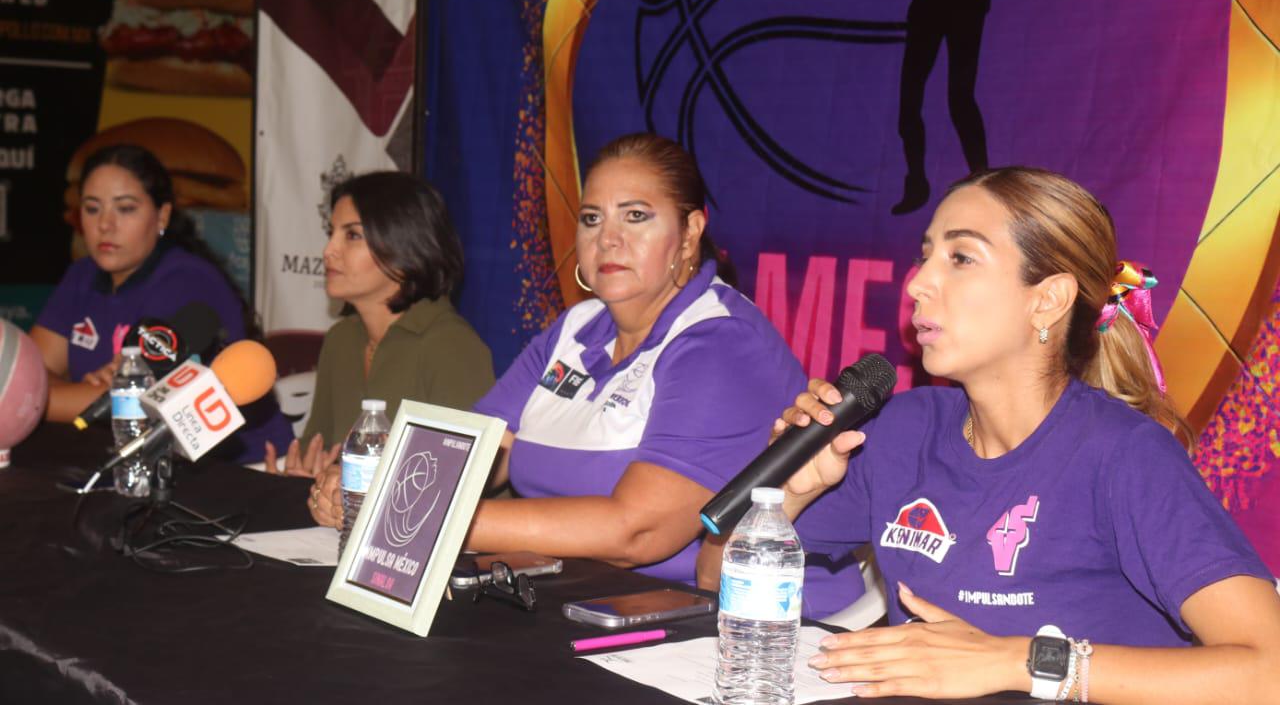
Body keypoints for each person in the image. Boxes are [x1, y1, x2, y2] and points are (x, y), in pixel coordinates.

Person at [740, 167, 1280, 701]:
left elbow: (1267, 671)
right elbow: (717, 575)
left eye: (961, 258)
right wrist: (790, 493)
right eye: (925, 255)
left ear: (1046, 300)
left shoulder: (1126, 455)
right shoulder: (904, 428)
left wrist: (1012, 659)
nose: (918, 283)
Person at [309, 133, 862, 617]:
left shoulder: (720, 341)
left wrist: (415, 516)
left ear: (690, 233)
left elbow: (636, 532)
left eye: (636, 216)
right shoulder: (576, 327)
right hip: (582, 602)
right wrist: (372, 486)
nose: (608, 238)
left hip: (754, 625)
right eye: (593, 218)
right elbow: (478, 450)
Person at [32, 143, 291, 462]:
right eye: (92, 208)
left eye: (125, 209)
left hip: (244, 468)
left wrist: (35, 399)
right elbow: (31, 373)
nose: (105, 225)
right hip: (132, 459)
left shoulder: (186, 282)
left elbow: (134, 403)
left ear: (162, 215)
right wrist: (59, 392)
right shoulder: (82, 275)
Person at [275, 172, 494, 485]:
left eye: (352, 236)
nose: (328, 251)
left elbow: (454, 486)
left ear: (405, 247)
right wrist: (304, 478)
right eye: (331, 232)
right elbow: (318, 452)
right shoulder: (341, 339)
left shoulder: (453, 347)